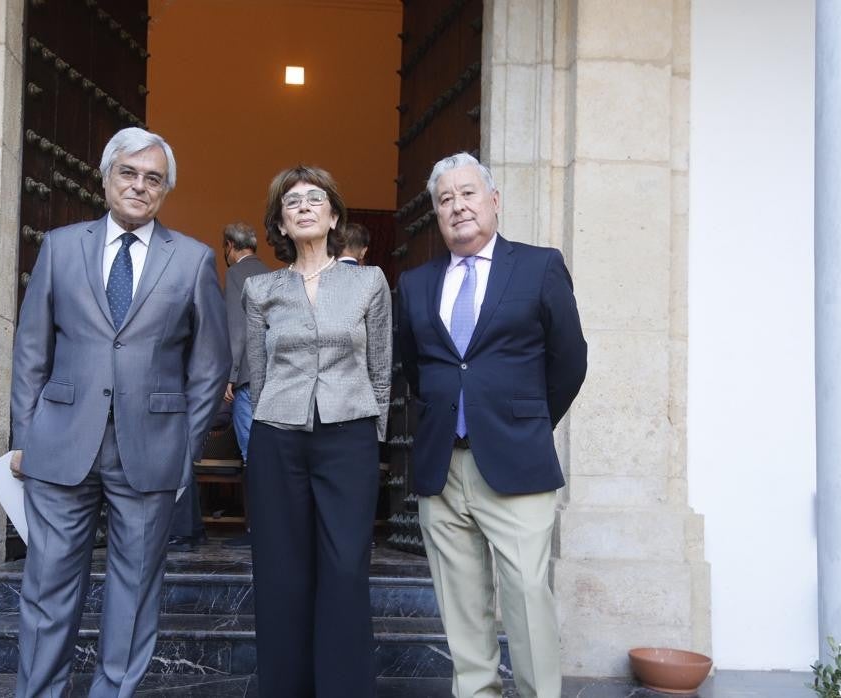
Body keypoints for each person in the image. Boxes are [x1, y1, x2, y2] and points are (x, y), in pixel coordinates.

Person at [10, 127, 230, 697]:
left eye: (153, 178)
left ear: (165, 190)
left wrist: (185, 451)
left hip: (151, 452)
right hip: (59, 446)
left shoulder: (193, 259)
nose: (139, 185)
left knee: (134, 592)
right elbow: (32, 350)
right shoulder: (60, 246)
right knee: (47, 587)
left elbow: (209, 367)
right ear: (106, 178)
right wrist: (25, 438)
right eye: (128, 173)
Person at [394, 152, 587, 698]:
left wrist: (523, 422)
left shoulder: (538, 266)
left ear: (494, 201)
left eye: (468, 193)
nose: (457, 206)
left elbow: (570, 359)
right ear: (435, 213)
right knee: (460, 608)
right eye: (445, 199)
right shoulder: (415, 283)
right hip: (441, 469)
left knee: (526, 598)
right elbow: (416, 366)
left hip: (517, 464)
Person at [243, 165, 391, 697]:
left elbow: (380, 366)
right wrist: (268, 422)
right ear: (280, 223)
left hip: (348, 437)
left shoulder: (368, 282)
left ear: (333, 215)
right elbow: (257, 375)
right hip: (277, 436)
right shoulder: (261, 289)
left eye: (314, 199)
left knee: (345, 570)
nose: (303, 206)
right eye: (291, 202)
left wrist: (372, 434)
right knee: (281, 572)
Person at [220, 221, 271, 548]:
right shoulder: (271, 273)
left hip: (249, 376)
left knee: (252, 454)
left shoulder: (236, 275)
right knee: (268, 452)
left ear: (229, 246)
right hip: (275, 375)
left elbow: (238, 330)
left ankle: (258, 529)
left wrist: (231, 374)